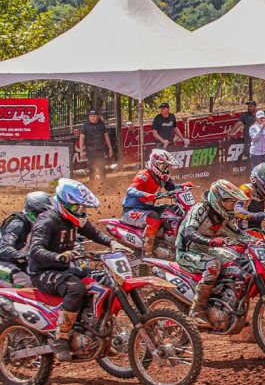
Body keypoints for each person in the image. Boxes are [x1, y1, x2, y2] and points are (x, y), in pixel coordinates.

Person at [28, 179, 129, 360]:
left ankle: (95, 332)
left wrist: (112, 243)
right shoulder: (47, 221)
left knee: (104, 279)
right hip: (43, 272)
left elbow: (93, 232)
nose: (81, 211)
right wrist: (57, 256)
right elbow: (35, 250)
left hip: (63, 269)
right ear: (63, 203)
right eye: (77, 207)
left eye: (83, 207)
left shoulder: (74, 219)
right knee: (76, 288)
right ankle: (61, 338)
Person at [176, 180, 252, 328]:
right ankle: (197, 311)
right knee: (214, 265)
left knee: (237, 262)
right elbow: (189, 232)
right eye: (230, 202)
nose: (232, 206)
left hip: (206, 249)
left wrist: (258, 241)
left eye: (234, 202)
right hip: (187, 251)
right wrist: (210, 241)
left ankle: (227, 308)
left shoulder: (225, 216)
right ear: (219, 200)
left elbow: (239, 234)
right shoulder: (199, 209)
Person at [121, 149, 190, 257]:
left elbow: (172, 187)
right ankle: (147, 250)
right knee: (154, 217)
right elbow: (130, 190)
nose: (168, 169)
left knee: (171, 210)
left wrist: (183, 186)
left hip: (147, 208)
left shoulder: (162, 177)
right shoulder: (144, 175)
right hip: (131, 211)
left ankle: (169, 244)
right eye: (166, 166)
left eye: (169, 167)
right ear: (157, 164)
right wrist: (145, 194)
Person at [0, 192, 53, 287]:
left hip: (21, 263)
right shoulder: (18, 224)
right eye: (43, 213)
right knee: (25, 283)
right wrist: (26, 256)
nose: (47, 217)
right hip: (3, 262)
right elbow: (3, 248)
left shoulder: (44, 226)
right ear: (33, 211)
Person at [79, 110, 114, 183]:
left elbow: (106, 136)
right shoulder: (85, 125)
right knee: (91, 167)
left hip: (100, 149)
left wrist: (110, 148)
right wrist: (81, 151)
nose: (92, 118)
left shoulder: (101, 124)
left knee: (102, 167)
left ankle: (103, 183)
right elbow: (81, 138)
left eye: (94, 116)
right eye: (91, 116)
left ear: (97, 116)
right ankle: (92, 182)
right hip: (90, 150)